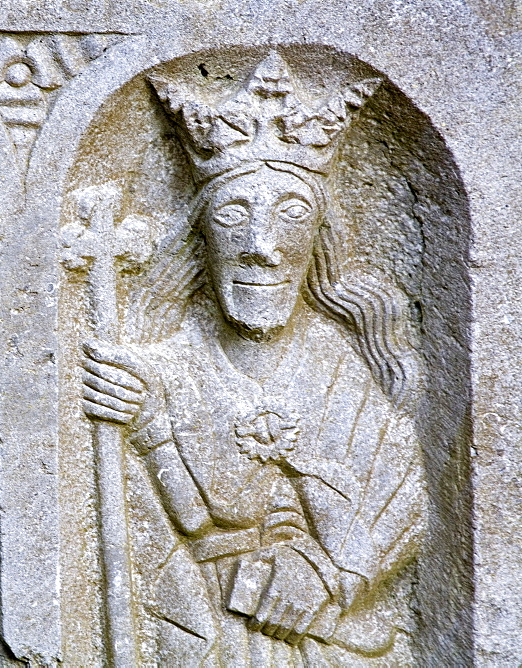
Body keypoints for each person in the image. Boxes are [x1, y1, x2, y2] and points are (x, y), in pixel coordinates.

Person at [82, 52, 424, 665]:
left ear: (321, 238)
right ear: (200, 237)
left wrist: (326, 576)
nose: (261, 247)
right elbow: (149, 530)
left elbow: (400, 496)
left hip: (326, 645)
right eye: (233, 214)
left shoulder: (343, 373)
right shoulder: (160, 371)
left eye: (290, 214)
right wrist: (150, 431)